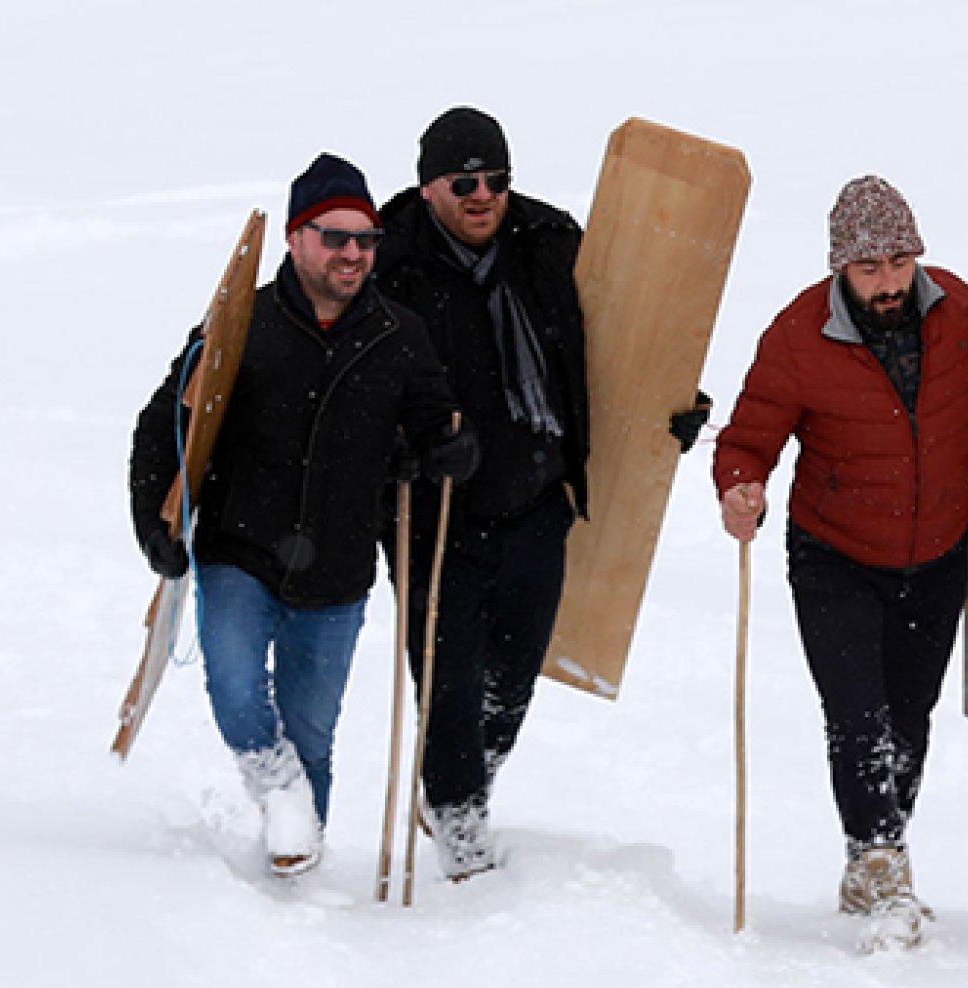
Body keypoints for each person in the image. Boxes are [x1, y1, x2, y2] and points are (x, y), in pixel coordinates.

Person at [373, 106, 709, 882]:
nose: (483, 194)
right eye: (464, 183)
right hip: (436, 513)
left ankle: (468, 780)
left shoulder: (550, 242)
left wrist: (673, 407)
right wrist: (412, 448)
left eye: (496, 179)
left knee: (513, 674)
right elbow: (359, 387)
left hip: (535, 502)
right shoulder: (391, 264)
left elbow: (618, 344)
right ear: (429, 189)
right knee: (448, 674)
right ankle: (457, 815)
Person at [129, 153, 478, 878]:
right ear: (295, 238)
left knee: (313, 733)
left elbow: (434, 421)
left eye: (366, 239)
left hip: (340, 566)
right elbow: (165, 421)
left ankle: (296, 865)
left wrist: (448, 448)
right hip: (239, 550)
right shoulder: (239, 322)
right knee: (231, 685)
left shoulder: (398, 334)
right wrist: (153, 522)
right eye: (335, 237)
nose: (353, 253)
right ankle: (278, 793)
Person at [714, 175, 968, 945]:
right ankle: (879, 859)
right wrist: (739, 487)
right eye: (869, 268)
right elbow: (746, 438)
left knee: (909, 718)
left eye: (899, 261)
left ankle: (878, 851)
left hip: (937, 552)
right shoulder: (799, 334)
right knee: (857, 717)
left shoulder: (960, 312)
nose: (888, 281)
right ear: (839, 269)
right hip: (835, 553)